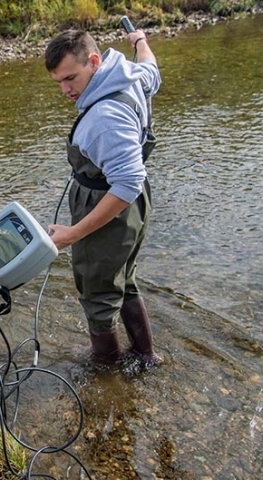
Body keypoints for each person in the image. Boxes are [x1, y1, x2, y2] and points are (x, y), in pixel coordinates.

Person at [43, 28, 162, 368]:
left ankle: (105, 371)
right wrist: (140, 41)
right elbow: (151, 68)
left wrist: (74, 232)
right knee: (124, 278)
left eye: (70, 78)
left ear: (94, 62)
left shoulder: (104, 118)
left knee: (97, 293)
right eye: (58, 83)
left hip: (110, 206)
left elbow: (125, 184)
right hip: (137, 208)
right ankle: (145, 356)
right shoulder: (130, 74)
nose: (66, 90)